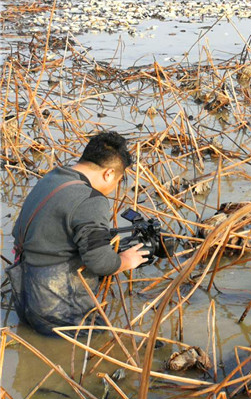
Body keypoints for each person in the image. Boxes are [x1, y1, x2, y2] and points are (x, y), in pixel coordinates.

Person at [7, 131, 149, 335]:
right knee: (104, 343)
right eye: (118, 180)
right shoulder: (91, 199)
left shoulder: (53, 178)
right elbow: (100, 262)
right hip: (56, 310)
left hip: (24, 300)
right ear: (109, 173)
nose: (114, 186)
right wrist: (126, 260)